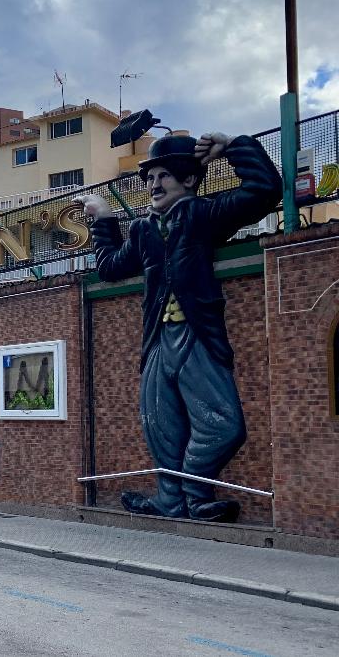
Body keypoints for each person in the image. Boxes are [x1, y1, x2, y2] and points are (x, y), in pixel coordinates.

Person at [75, 129, 281, 522]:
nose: (153, 185)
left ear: (188, 178)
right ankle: (177, 502)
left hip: (197, 337)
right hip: (156, 341)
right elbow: (109, 268)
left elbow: (263, 190)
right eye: (149, 178)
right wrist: (103, 219)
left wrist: (234, 147)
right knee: (160, 425)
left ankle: (191, 491)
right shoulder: (141, 230)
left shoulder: (204, 214)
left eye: (163, 176)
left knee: (225, 425)